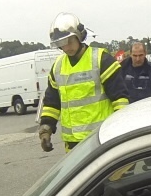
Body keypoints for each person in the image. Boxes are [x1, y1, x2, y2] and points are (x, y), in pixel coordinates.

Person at [38, 13, 129, 153]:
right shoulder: (57, 67)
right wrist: (46, 128)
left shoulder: (101, 60)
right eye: (62, 43)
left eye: (69, 41)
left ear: (79, 36)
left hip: (101, 138)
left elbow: (120, 99)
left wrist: (121, 128)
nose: (67, 47)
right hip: (72, 144)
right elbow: (52, 103)